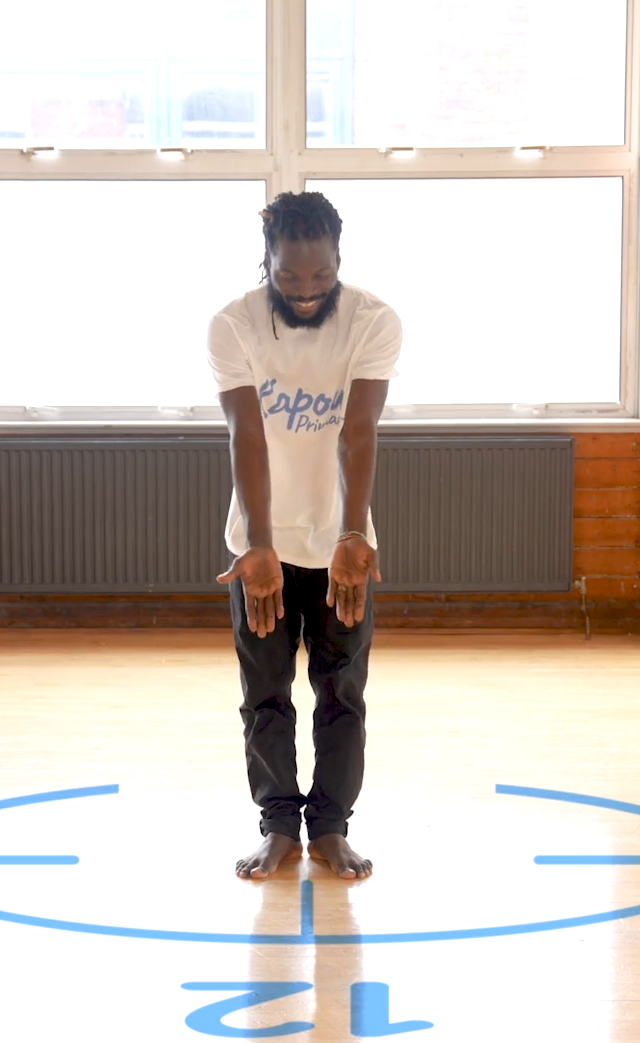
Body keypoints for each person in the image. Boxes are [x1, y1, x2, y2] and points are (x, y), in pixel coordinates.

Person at [209, 191, 398, 881]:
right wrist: (259, 546)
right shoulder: (234, 325)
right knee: (265, 693)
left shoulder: (373, 320)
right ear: (268, 264)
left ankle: (331, 828)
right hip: (260, 550)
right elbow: (247, 433)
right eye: (290, 279)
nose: (308, 292)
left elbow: (358, 429)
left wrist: (350, 530)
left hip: (342, 547)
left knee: (341, 688)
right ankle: (278, 826)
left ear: (338, 261)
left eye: (320, 278)